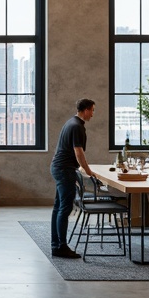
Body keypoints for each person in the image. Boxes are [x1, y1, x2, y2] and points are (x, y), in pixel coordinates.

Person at [49, 98, 100, 258]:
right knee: (65, 208)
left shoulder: (70, 122)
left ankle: (56, 245)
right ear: (85, 110)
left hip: (59, 167)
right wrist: (89, 171)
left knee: (59, 207)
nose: (92, 114)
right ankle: (61, 247)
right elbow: (79, 152)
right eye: (92, 110)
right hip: (64, 169)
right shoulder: (77, 126)